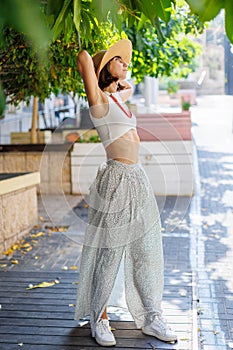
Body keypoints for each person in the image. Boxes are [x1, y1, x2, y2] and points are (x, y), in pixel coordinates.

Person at [74, 39, 177, 347]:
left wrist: (117, 75)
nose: (126, 64)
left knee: (146, 247)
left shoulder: (118, 98)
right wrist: (95, 54)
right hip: (116, 177)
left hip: (137, 177)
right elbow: (83, 59)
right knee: (109, 252)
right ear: (104, 67)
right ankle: (100, 318)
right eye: (120, 60)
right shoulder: (99, 101)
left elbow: (127, 85)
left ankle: (150, 316)